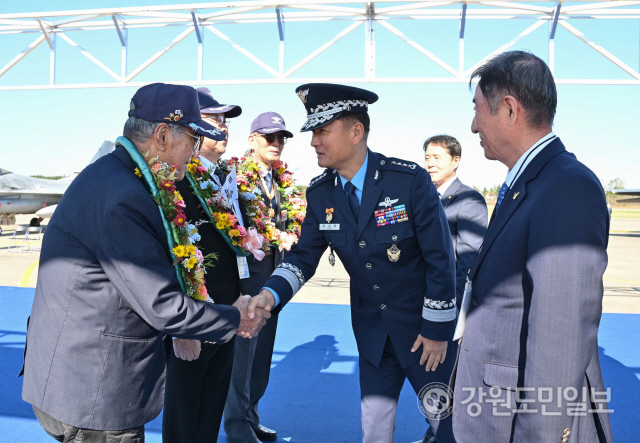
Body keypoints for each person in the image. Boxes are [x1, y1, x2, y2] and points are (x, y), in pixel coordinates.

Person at [20, 83, 268, 443]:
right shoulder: (128, 197)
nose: (194, 152)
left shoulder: (107, 174)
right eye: (192, 141)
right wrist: (237, 317)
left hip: (69, 377)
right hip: (95, 395)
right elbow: (162, 306)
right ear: (164, 136)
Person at [249, 83, 458, 443]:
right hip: (373, 335)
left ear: (356, 131)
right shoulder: (320, 192)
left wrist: (438, 332)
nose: (314, 141)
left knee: (448, 426)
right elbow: (303, 257)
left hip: (423, 336)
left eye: (322, 131)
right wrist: (270, 294)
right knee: (374, 432)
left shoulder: (407, 181)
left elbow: (441, 257)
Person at [451, 51, 614, 442]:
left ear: (509, 109)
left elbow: (561, 333)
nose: (473, 126)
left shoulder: (565, 188)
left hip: (522, 423)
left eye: (477, 110)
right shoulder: (530, 183)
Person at [162, 87, 245, 443]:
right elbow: (174, 252)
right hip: (194, 315)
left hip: (226, 308)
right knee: (185, 410)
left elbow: (234, 247)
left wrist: (241, 296)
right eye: (214, 119)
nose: (223, 127)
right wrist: (182, 327)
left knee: (211, 404)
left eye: (225, 120)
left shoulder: (223, 176)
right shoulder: (177, 179)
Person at [224, 112, 294, 443]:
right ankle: (236, 424)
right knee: (242, 356)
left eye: (281, 138)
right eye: (270, 137)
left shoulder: (280, 181)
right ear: (252, 140)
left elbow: (289, 220)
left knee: (262, 354)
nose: (277, 143)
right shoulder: (234, 176)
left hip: (273, 282)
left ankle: (251, 414)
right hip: (245, 283)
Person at [423, 135, 487, 307]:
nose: (430, 164)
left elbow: (468, 261)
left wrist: (452, 306)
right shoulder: (422, 198)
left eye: (437, 158)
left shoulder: (469, 200)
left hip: (446, 301)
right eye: (427, 158)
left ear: (456, 160)